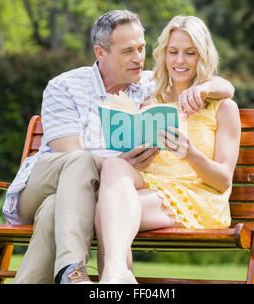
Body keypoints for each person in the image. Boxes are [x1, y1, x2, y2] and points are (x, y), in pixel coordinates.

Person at [2, 10, 235, 284]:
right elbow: (70, 156)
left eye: (141, 48)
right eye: (128, 51)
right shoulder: (65, 87)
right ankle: (74, 272)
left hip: (97, 195)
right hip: (46, 183)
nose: (138, 58)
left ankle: (109, 278)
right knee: (82, 162)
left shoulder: (149, 86)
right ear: (100, 52)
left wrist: (207, 89)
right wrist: (124, 163)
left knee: (58, 210)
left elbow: (219, 84)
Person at [94, 15, 241, 283]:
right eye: (173, 52)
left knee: (105, 212)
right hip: (153, 188)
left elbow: (222, 181)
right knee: (115, 166)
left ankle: (113, 277)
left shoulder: (223, 108)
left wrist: (191, 154)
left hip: (199, 197)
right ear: (164, 54)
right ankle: (118, 275)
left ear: (202, 56)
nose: (180, 60)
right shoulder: (152, 103)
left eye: (190, 53)